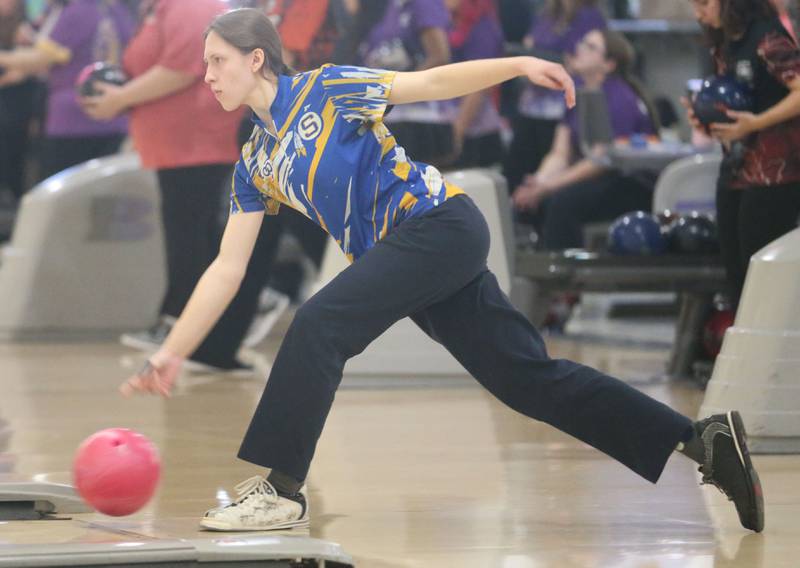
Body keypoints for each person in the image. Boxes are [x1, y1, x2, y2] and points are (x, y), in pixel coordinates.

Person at [120, 8, 764, 534]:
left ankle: (282, 489)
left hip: (439, 227)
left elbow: (426, 84)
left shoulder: (325, 88)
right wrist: (173, 352)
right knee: (528, 382)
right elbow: (227, 268)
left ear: (255, 58)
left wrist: (517, 64)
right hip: (411, 256)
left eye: (216, 62)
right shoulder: (255, 161)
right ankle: (702, 443)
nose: (206, 76)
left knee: (318, 323)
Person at [82, 0, 256, 371]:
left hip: (196, 142)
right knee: (189, 240)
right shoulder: (161, 8)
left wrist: (120, 98)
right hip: (179, 145)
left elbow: (182, 68)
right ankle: (196, 338)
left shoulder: (190, 5)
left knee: (192, 242)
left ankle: (199, 339)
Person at [683, 0, 800, 311]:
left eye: (704, 3)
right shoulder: (725, 42)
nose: (699, 14)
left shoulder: (767, 36)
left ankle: (774, 353)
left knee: (760, 273)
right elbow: (732, 103)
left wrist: (756, 123)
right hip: (736, 167)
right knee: (736, 275)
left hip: (776, 173)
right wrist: (707, 121)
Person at [512, 30, 658, 250]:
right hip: (597, 176)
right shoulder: (579, 93)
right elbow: (560, 153)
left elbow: (601, 160)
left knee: (561, 203)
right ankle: (535, 269)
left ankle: (566, 277)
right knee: (527, 201)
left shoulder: (620, 98)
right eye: (582, 43)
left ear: (609, 64)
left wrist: (548, 187)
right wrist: (539, 182)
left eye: (590, 47)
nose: (579, 49)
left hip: (629, 181)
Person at [0, 0, 135, 181]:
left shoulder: (79, 11)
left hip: (74, 120)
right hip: (114, 117)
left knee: (65, 195)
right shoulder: (116, 10)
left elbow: (40, 59)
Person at [503, 0, 606, 195]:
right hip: (531, 105)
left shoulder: (590, 16)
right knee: (515, 174)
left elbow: (587, 61)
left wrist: (562, 64)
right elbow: (529, 46)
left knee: (550, 172)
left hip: (562, 106)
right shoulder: (547, 15)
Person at [444, 0, 505, 169]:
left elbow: (480, 86)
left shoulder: (483, 26)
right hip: (449, 120)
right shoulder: (447, 23)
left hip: (474, 130)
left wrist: (457, 132)